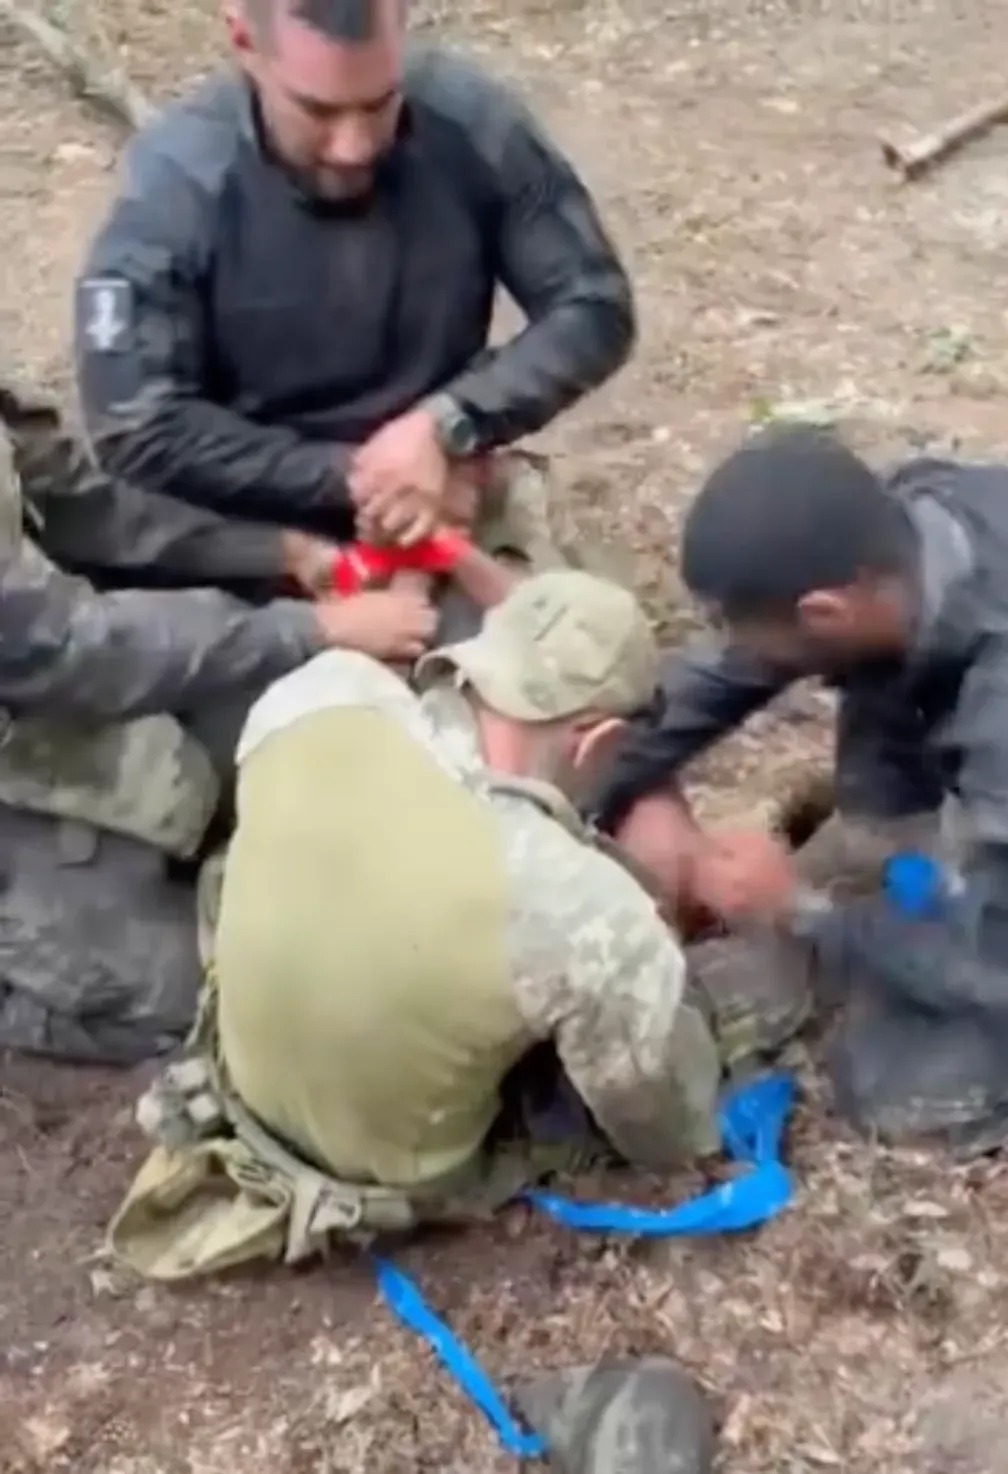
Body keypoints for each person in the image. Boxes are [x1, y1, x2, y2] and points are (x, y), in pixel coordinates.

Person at [109, 571, 734, 1280]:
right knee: (724, 1001)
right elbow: (665, 1131)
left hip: (241, 1082)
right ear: (597, 740)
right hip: (381, 1169)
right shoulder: (575, 902)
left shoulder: (318, 692)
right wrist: (661, 950)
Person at [73, 0, 635, 630]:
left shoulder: (467, 120)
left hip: (443, 492)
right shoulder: (177, 184)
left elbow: (593, 304)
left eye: (379, 104)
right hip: (247, 522)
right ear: (245, 43)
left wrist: (448, 422)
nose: (354, 146)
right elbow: (135, 427)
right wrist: (363, 478)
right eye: (317, 110)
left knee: (569, 658)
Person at [0, 376, 448, 1064]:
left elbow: (87, 506)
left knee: (268, 749)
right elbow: (68, 650)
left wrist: (279, 551)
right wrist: (314, 628)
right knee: (223, 1001)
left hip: (39, 708)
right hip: (39, 702)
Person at [597, 423, 1008, 1152]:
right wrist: (602, 772)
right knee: (879, 661)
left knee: (900, 1085)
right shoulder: (906, 527)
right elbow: (722, 676)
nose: (742, 651)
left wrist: (804, 913)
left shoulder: (996, 705)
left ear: (823, 610)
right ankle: (907, 845)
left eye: (751, 633)